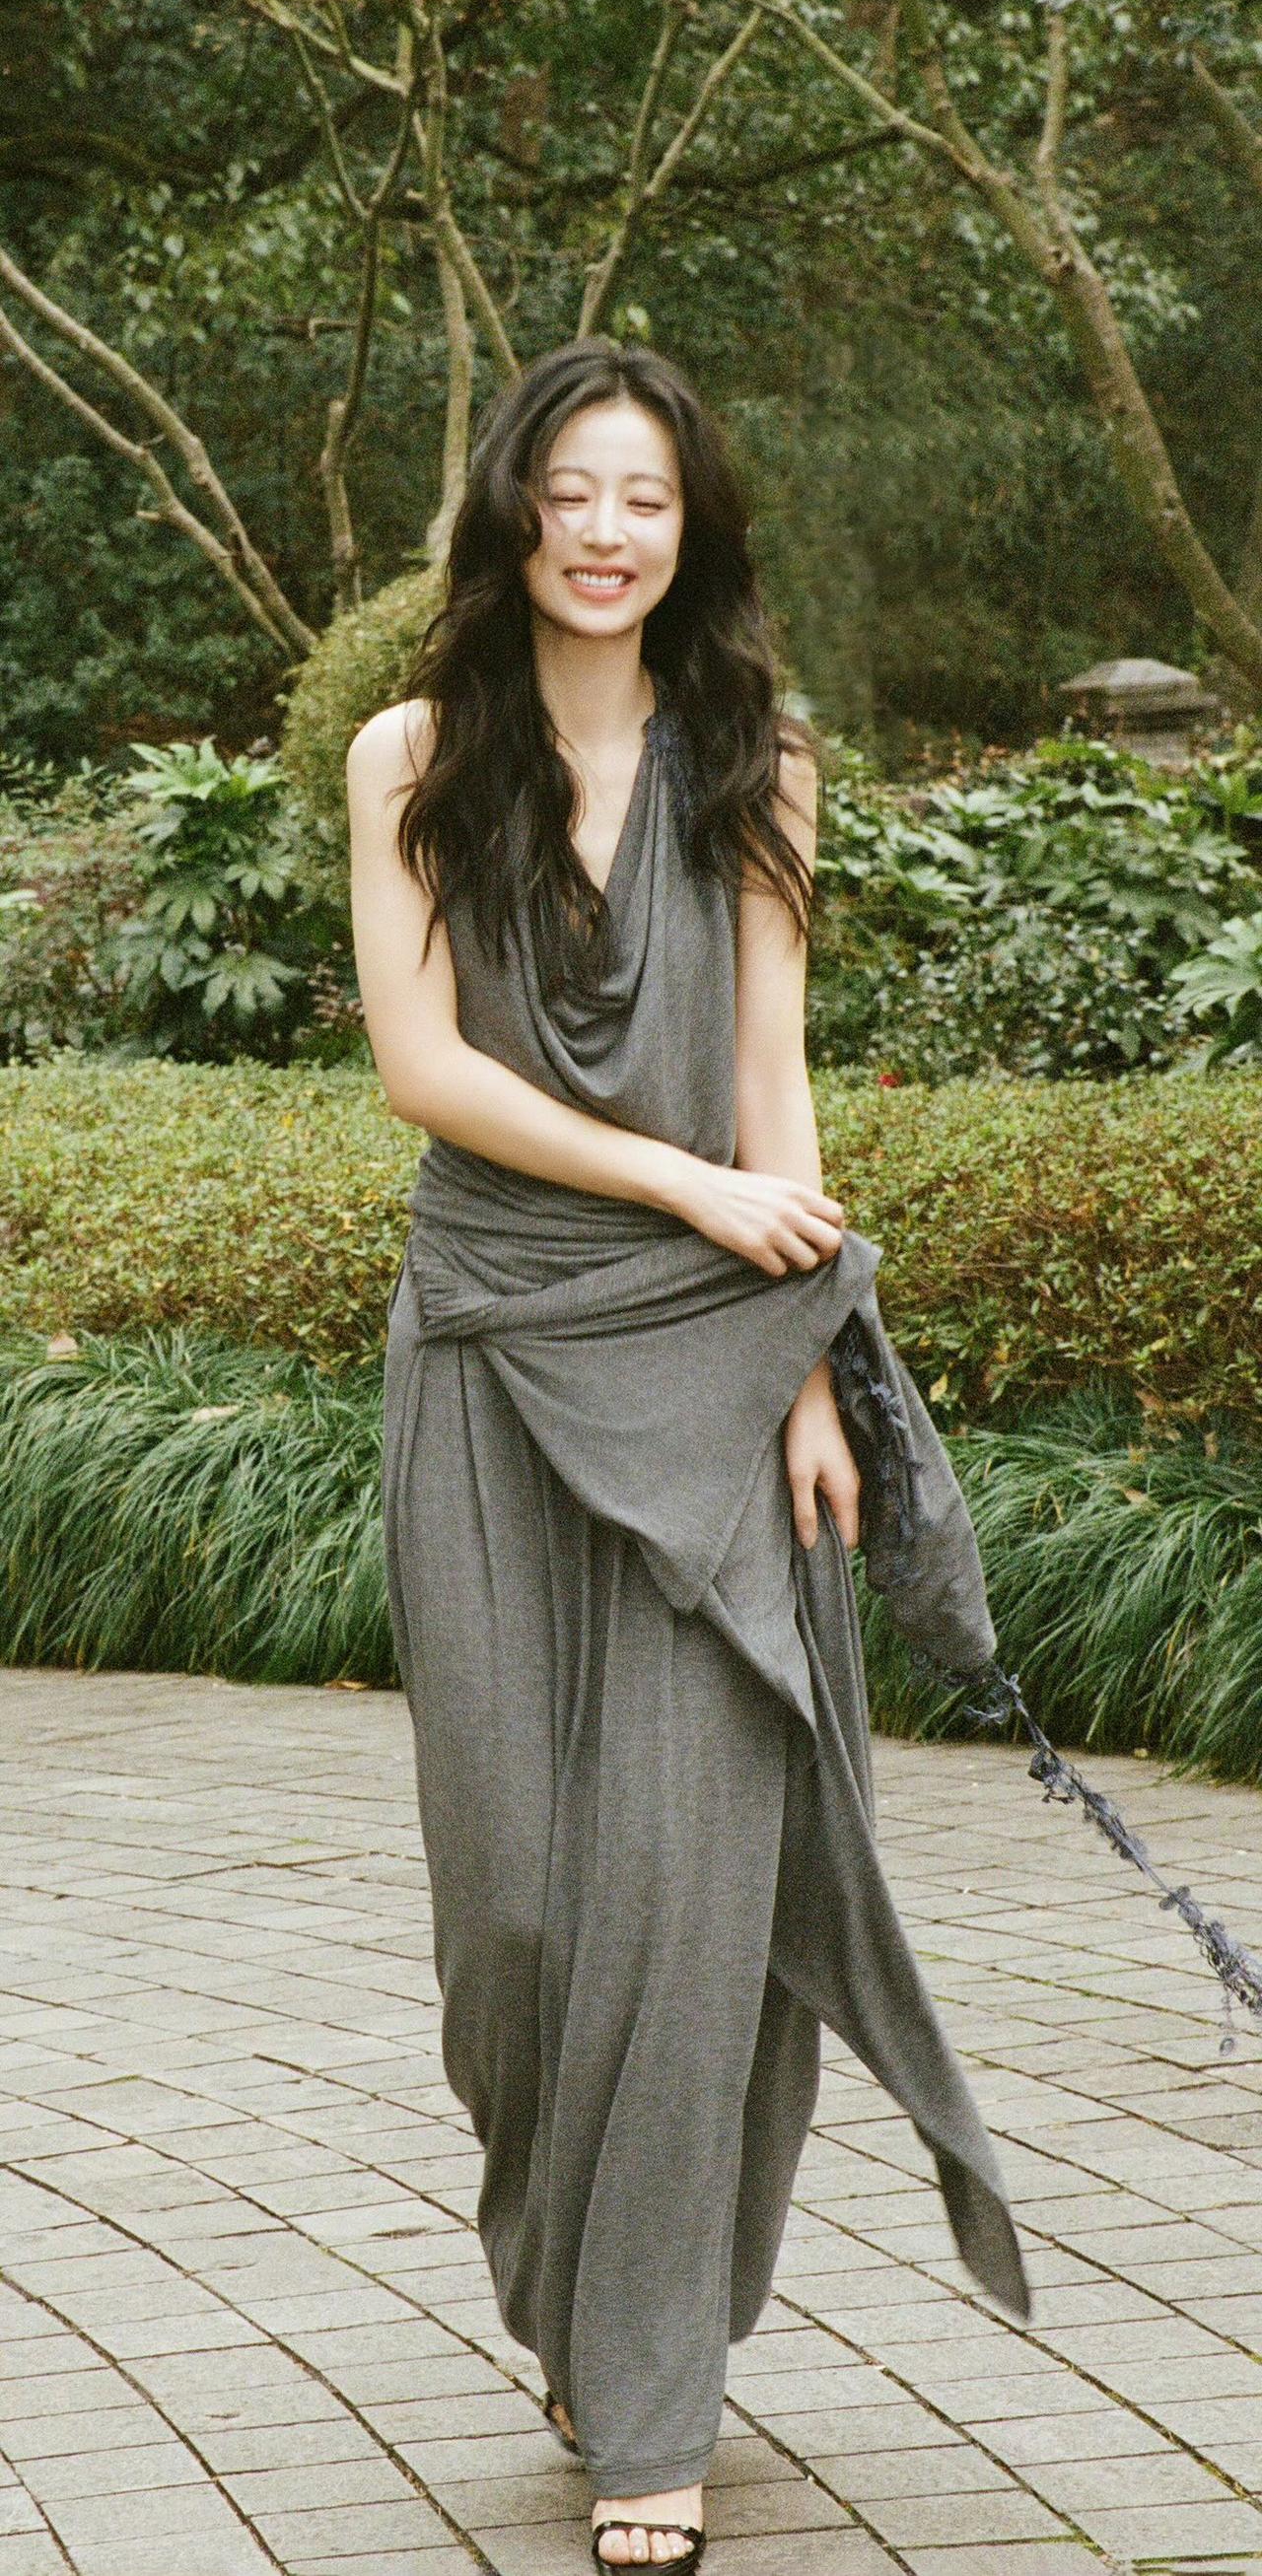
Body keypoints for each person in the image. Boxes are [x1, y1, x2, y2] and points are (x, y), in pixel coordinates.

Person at [346, 336, 1029, 2573]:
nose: (606, 530)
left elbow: (772, 1086)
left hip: (721, 1373)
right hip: (489, 1354)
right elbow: (423, 1066)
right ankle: (577, 2295)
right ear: (511, 512)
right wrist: (686, 1195)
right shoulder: (410, 754)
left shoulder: (761, 760)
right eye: (571, 489)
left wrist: (805, 1369)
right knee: (517, 1919)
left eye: (645, 494)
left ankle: (651, 2402)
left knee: (683, 1894)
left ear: (690, 526)